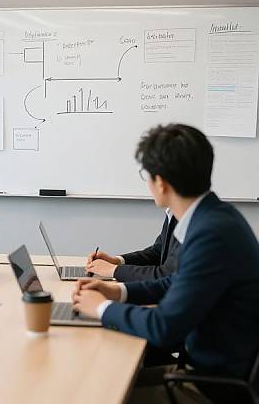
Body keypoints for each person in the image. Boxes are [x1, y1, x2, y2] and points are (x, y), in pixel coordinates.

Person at [72, 124, 259, 402]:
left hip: (212, 388)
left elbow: (163, 327)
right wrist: (118, 291)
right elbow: (176, 282)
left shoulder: (211, 234)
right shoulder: (214, 218)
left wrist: (100, 307)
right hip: (205, 370)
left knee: (95, 392)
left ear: (161, 182)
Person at [85, 211, 180, 281]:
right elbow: (157, 253)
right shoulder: (172, 214)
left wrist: (114, 270)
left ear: (161, 185)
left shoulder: (187, 221)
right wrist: (116, 261)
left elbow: (168, 274)